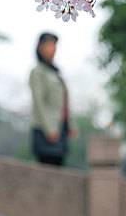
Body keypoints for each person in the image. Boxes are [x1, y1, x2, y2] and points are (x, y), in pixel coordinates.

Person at [29, 32, 70, 166]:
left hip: (60, 128)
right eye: (49, 45)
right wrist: (50, 129)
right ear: (40, 47)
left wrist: (70, 124)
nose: (53, 49)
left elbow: (64, 101)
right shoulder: (37, 72)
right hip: (45, 130)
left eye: (55, 45)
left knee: (59, 166)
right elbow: (39, 102)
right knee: (47, 169)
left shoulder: (56, 72)